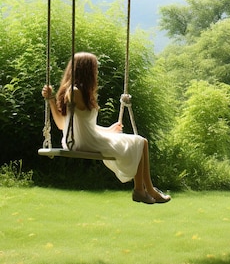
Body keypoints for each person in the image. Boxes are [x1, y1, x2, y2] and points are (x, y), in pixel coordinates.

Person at [42, 51, 170, 205]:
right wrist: (51, 100)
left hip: (86, 138)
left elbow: (84, 125)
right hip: (80, 142)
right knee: (139, 142)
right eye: (94, 69)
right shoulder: (74, 92)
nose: (97, 72)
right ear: (86, 71)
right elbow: (63, 125)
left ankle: (144, 190)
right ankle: (145, 191)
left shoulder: (80, 92)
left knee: (142, 142)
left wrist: (109, 130)